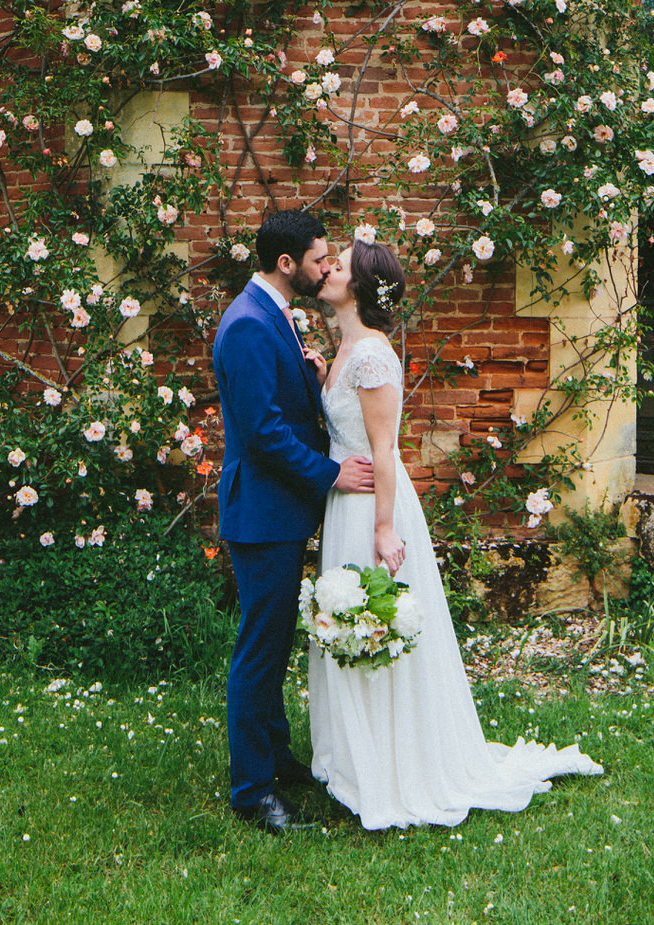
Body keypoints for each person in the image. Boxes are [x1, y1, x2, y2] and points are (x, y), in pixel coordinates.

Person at [308, 237, 602, 829]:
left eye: (339, 265)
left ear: (362, 287)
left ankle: (396, 764)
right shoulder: (344, 352)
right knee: (348, 626)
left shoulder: (372, 357)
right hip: (345, 503)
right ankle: (361, 756)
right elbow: (349, 427)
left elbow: (386, 449)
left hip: (372, 508)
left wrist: (386, 530)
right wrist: (320, 377)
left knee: (375, 624)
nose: (328, 270)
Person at [212, 209, 375, 835]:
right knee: (259, 650)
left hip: (276, 510)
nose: (327, 268)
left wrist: (309, 375)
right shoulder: (250, 324)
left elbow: (280, 407)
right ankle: (253, 793)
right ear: (288, 265)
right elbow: (261, 434)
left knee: (275, 641)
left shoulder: (272, 317)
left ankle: (276, 757)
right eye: (318, 260)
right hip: (261, 514)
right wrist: (331, 475)